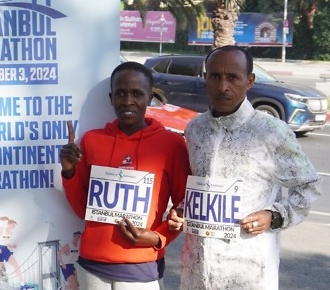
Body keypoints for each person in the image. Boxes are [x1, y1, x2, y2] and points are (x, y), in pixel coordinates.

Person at [168, 45, 322, 290]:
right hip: (197, 269)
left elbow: (308, 186)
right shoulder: (195, 129)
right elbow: (200, 185)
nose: (222, 86)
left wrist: (274, 216)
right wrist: (182, 210)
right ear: (205, 79)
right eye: (215, 76)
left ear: (249, 81)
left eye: (232, 77)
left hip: (246, 272)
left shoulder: (271, 132)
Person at [59, 61, 190, 290]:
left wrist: (158, 238)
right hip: (92, 266)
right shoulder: (92, 141)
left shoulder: (172, 144)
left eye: (136, 94)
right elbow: (83, 210)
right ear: (111, 98)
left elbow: (184, 205)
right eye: (120, 93)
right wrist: (69, 172)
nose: (127, 101)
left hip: (141, 267)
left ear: (149, 98)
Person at [0, 216, 26, 287]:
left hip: (5, 249)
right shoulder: (2, 228)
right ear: (10, 224)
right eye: (13, 225)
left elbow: (6, 243)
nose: (14, 227)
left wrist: (12, 246)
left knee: (16, 266)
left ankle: (22, 285)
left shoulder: (11, 233)